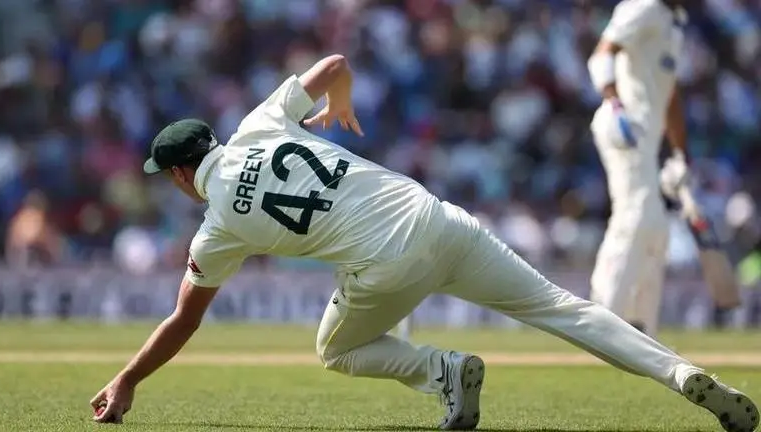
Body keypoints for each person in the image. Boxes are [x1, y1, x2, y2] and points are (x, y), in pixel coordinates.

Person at [89, 54, 758, 432]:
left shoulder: (217, 229)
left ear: (181, 173)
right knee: (565, 308)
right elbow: (335, 63)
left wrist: (126, 379)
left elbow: (183, 320)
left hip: (385, 265)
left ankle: (440, 371)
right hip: (441, 218)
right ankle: (681, 373)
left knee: (335, 348)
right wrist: (341, 101)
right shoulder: (258, 125)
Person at [586, 0, 691, 337]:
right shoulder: (643, 6)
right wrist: (613, 101)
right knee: (638, 212)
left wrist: (680, 155)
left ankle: (639, 327)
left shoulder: (674, 22)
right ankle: (601, 318)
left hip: (647, 139)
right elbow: (602, 54)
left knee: (656, 227)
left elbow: (669, 95)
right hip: (624, 126)